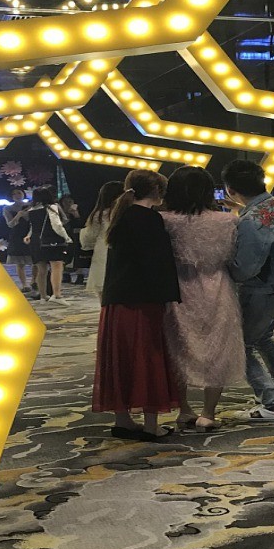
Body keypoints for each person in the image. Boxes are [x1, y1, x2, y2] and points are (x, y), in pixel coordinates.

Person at [93, 169, 181, 441]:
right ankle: (151, 424)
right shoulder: (150, 218)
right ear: (156, 191)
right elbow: (158, 263)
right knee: (148, 357)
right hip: (143, 301)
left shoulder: (120, 215)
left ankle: (122, 419)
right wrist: (169, 296)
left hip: (116, 300)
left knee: (121, 358)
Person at [160, 167, 245, 432]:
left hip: (177, 287)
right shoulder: (227, 221)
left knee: (177, 346)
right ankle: (208, 412)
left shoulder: (164, 220)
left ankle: (184, 409)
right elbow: (233, 255)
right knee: (219, 347)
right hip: (217, 285)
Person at [223, 159, 274, 423]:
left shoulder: (251, 221)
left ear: (230, 190)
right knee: (263, 337)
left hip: (267, 291)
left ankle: (273, 405)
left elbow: (244, 270)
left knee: (240, 345)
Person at [24, 187, 72, 305]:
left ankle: (43, 296)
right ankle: (57, 295)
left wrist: (28, 236)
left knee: (41, 269)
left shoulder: (31, 209)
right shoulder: (51, 207)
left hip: (36, 241)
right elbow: (57, 225)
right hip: (51, 240)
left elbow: (33, 226)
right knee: (57, 266)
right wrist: (66, 237)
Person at [80, 181, 123, 299]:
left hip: (102, 255)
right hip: (123, 256)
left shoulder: (99, 215)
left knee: (104, 296)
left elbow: (89, 237)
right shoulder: (128, 213)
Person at [3, 188, 35, 295]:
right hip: (17, 235)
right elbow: (10, 224)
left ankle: (34, 281)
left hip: (31, 233)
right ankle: (24, 284)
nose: (17, 195)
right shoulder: (7, 208)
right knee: (20, 262)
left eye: (19, 193)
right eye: (14, 194)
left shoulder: (31, 206)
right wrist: (18, 215)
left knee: (35, 260)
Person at [61, 194, 89, 285]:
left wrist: (75, 214)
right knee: (65, 255)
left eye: (70, 201)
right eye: (65, 202)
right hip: (65, 235)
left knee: (77, 255)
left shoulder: (78, 210)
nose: (68, 203)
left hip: (76, 236)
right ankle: (66, 274)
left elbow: (81, 223)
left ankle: (80, 275)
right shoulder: (60, 211)